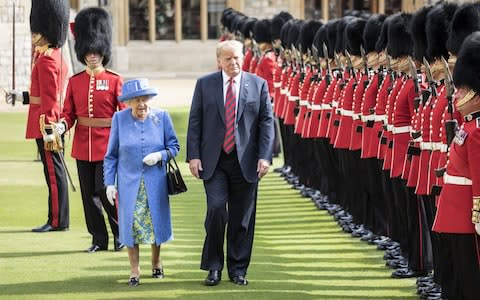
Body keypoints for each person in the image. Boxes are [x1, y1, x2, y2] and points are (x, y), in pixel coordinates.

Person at [186, 40, 274, 286]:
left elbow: (267, 123)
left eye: (237, 58)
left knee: (242, 218)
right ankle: (213, 266)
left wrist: (265, 156)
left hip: (245, 161)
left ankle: (237, 269)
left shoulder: (258, 85)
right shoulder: (205, 84)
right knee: (216, 210)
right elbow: (195, 121)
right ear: (219, 61)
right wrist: (193, 155)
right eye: (228, 59)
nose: (234, 62)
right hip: (214, 161)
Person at [59, 7, 126, 252]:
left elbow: (124, 114)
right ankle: (99, 239)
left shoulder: (115, 80)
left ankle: (120, 234)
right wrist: (62, 125)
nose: (91, 56)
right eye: (87, 52)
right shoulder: (75, 81)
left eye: (96, 52)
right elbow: (69, 113)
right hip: (82, 145)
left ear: (103, 52)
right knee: (89, 197)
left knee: (104, 190)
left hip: (108, 145)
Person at [104, 78, 179, 286]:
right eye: (136, 100)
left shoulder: (162, 117)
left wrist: (160, 156)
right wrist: (110, 183)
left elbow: (174, 146)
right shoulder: (119, 119)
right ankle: (134, 269)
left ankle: (156, 262)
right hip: (129, 185)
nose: (141, 104)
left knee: (156, 224)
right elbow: (111, 156)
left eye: (144, 99)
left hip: (155, 183)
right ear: (128, 102)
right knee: (131, 226)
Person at [432, 31, 480, 300]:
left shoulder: (476, 130)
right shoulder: (468, 127)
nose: (457, 93)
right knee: (460, 276)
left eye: (463, 88)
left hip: (466, 215)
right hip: (453, 210)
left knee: (470, 277)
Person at [26, 0, 70, 232]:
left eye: (38, 30)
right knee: (52, 171)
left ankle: (57, 221)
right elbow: (40, 93)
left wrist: (50, 129)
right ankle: (57, 218)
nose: (34, 34)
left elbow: (51, 98)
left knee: (53, 173)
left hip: (46, 124)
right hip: (45, 120)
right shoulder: (50, 56)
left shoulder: (47, 60)